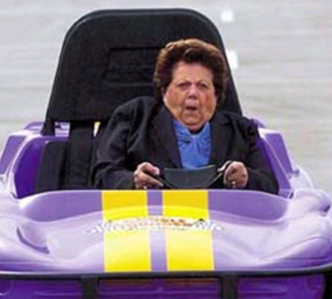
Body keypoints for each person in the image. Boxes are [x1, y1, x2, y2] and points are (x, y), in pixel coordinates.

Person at [91, 39, 279, 194]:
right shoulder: (133, 118)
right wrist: (133, 181)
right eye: (183, 85)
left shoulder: (242, 130)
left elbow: (270, 185)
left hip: (221, 230)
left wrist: (246, 178)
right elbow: (102, 176)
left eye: (203, 86)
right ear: (164, 91)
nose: (193, 93)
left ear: (216, 95)